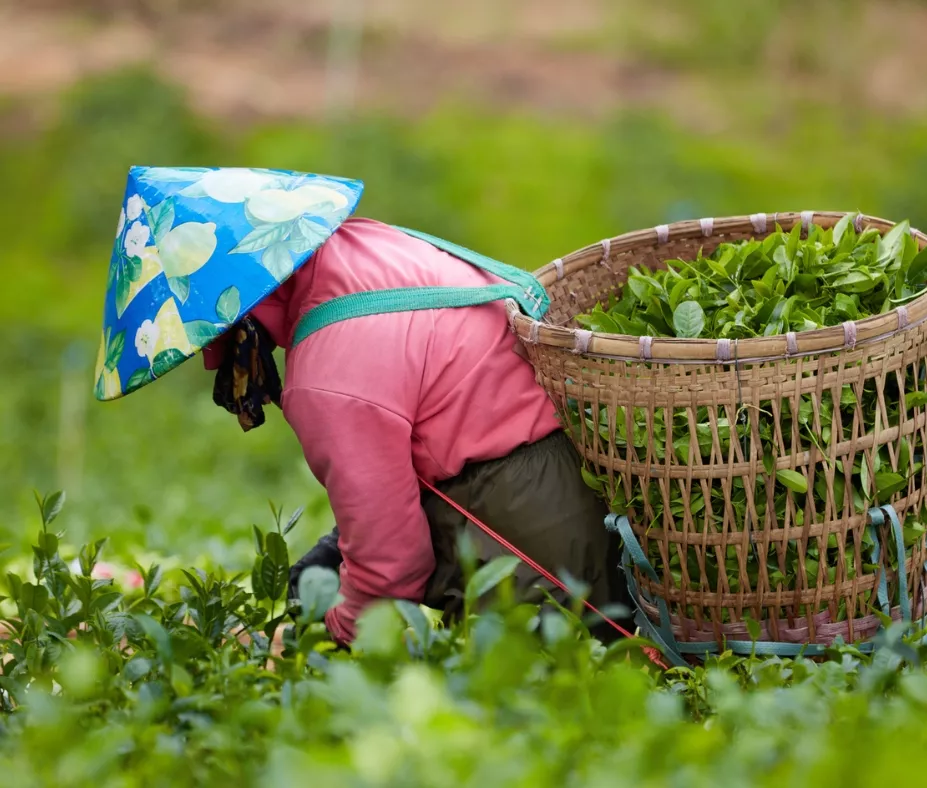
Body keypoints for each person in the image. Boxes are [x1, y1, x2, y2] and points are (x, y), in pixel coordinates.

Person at [95, 166, 627, 646]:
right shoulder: (371, 247)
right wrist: (325, 565)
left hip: (541, 541)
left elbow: (391, 570)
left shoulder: (326, 375)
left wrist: (316, 636)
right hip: (600, 485)